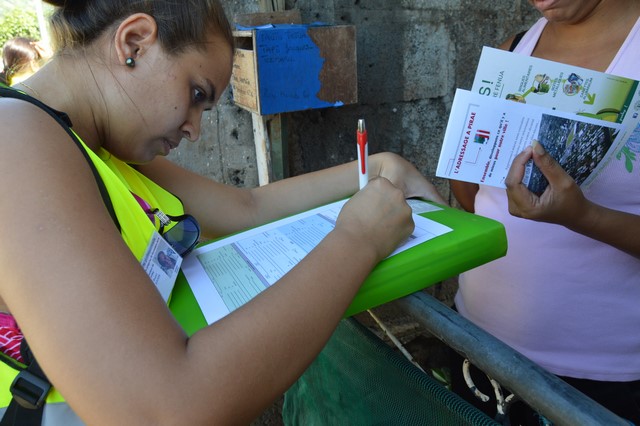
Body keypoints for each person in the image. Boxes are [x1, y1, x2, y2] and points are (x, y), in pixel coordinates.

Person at [0, 0, 446, 424]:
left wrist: (382, 166)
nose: (194, 129)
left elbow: (246, 207)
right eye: (196, 94)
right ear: (134, 42)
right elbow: (165, 411)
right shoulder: (17, 139)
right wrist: (358, 239)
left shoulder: (97, 146)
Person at [450, 0, 640, 424]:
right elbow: (470, 188)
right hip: (477, 350)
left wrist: (582, 217)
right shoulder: (515, 50)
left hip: (600, 383)